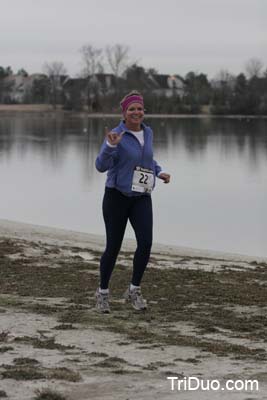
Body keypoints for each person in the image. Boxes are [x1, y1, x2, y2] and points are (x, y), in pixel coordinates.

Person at [95, 91, 170, 313]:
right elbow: (101, 166)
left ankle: (134, 290)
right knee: (113, 247)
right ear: (124, 113)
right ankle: (103, 293)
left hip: (142, 197)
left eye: (139, 108)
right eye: (132, 109)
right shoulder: (116, 135)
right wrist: (110, 147)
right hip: (116, 196)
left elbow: (146, 159)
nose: (137, 112)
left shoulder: (148, 132)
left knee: (146, 243)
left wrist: (159, 171)